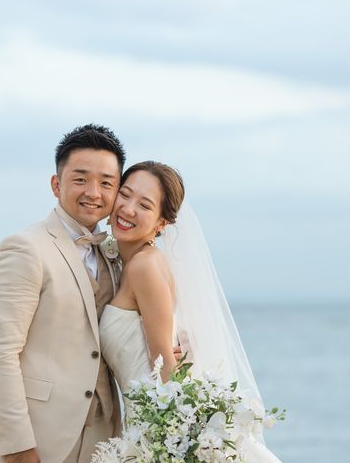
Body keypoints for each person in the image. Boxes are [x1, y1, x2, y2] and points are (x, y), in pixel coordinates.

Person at [99, 161, 281, 461]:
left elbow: (165, 366)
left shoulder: (144, 266)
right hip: (143, 426)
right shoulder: (135, 261)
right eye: (125, 194)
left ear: (162, 223)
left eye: (144, 205)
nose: (128, 209)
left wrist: (172, 446)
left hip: (155, 433)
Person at [0, 124, 125, 463]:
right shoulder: (25, 248)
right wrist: (17, 447)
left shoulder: (115, 254)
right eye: (81, 179)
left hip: (105, 439)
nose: (94, 192)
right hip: (39, 438)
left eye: (106, 182)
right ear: (56, 185)